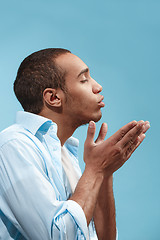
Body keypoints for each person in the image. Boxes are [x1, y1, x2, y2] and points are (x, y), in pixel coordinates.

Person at [0, 48, 150, 240]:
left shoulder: (64, 155)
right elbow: (58, 237)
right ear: (53, 98)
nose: (98, 86)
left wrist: (104, 173)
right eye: (84, 80)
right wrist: (96, 169)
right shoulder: (13, 146)